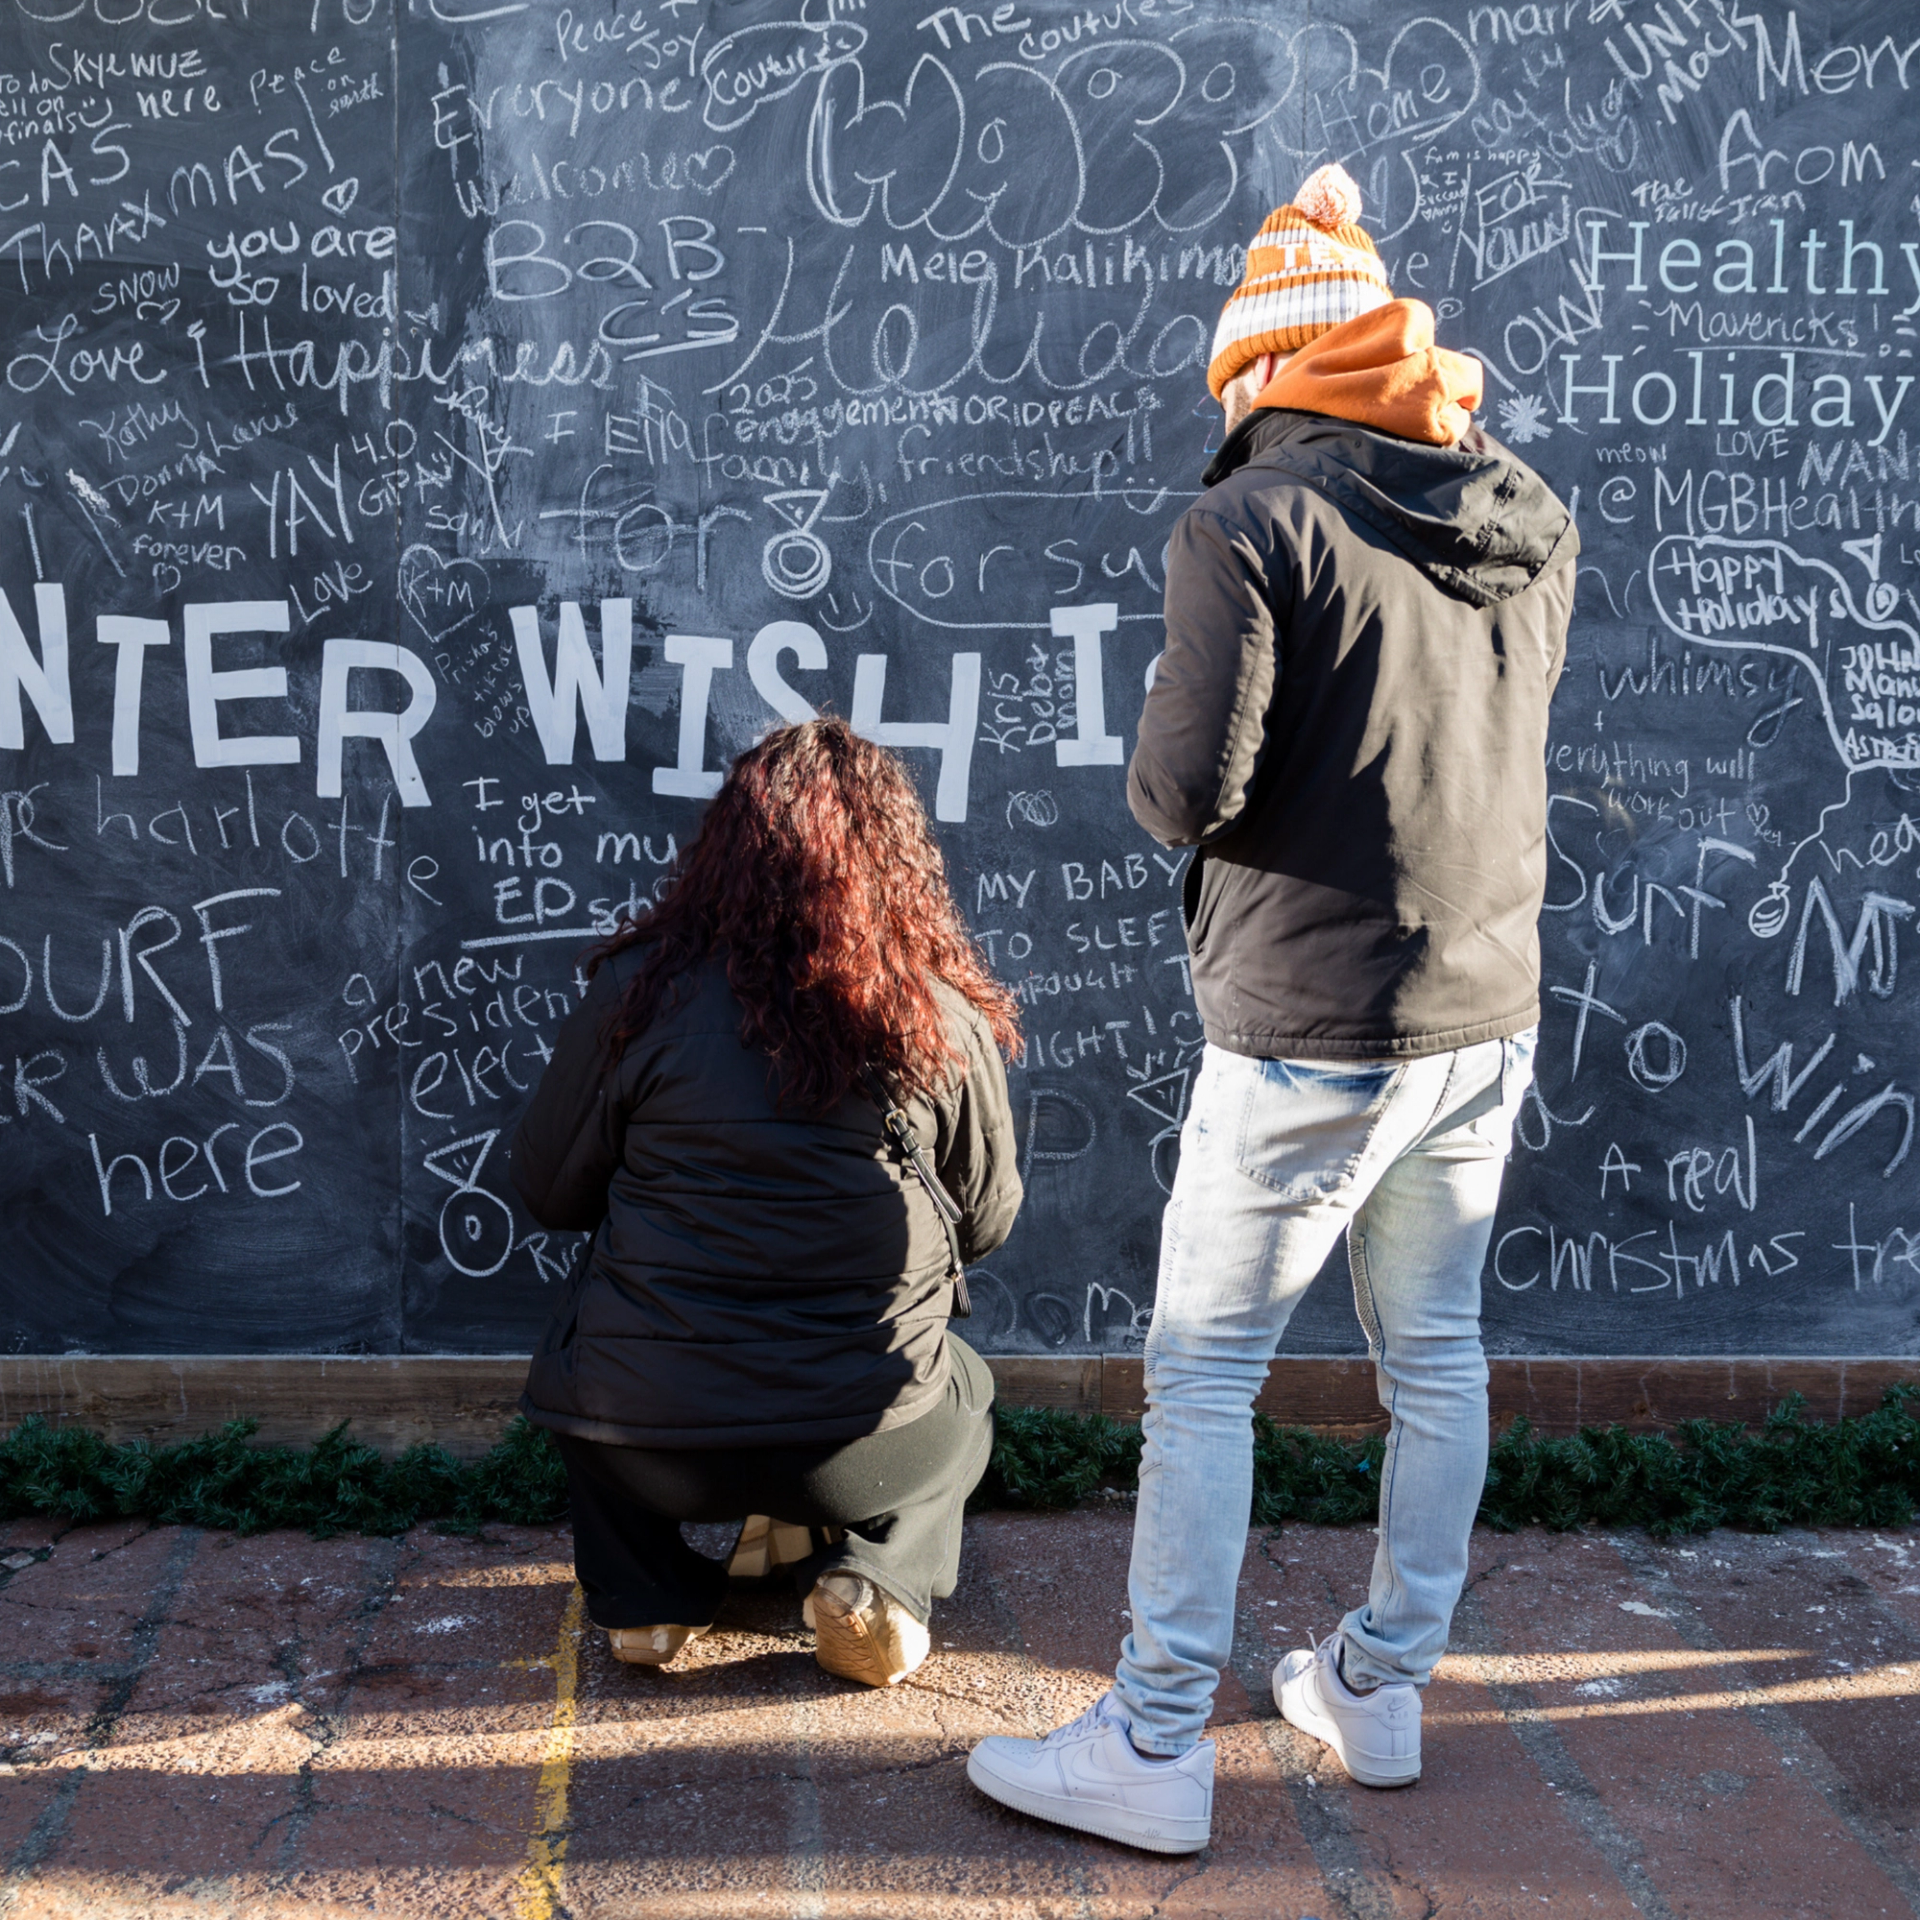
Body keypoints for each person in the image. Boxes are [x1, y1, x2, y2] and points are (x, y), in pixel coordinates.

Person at [967, 163, 1578, 1850]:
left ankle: (1156, 1741)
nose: (1223, 412)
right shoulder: (1524, 516)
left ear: (1268, 372)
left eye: (1233, 381)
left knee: (1204, 1379)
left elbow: (1186, 791)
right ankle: (1381, 1685)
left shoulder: (1246, 526)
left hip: (1310, 1022)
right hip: (1485, 1009)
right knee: (1435, 1359)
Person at [511, 716, 1022, 1688]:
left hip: (647, 1442)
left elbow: (548, 1192)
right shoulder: (938, 1015)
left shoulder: (636, 997)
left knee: (591, 1351)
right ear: (896, 857)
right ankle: (881, 1584)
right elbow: (987, 1222)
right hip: (864, 1443)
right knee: (965, 1385)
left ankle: (645, 1600)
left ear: (724, 851)